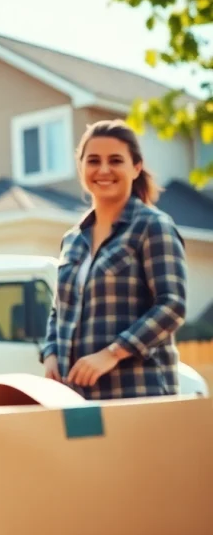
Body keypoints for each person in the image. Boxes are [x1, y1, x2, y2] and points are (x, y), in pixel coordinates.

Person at [41, 119, 187, 398]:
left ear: (136, 167)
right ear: (81, 167)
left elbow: (172, 305)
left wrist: (112, 353)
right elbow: (58, 309)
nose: (103, 169)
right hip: (75, 396)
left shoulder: (153, 227)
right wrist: (50, 353)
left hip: (138, 392)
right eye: (93, 160)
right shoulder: (72, 239)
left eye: (115, 160)